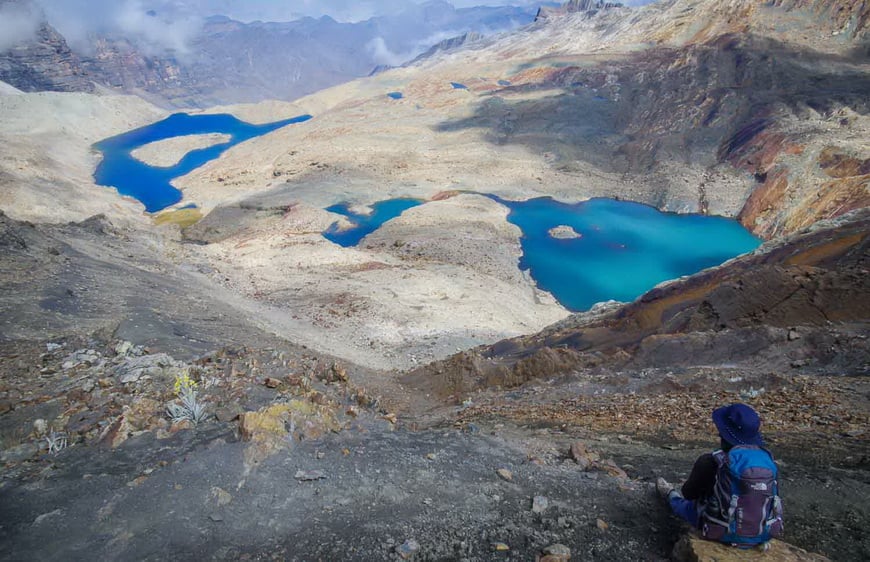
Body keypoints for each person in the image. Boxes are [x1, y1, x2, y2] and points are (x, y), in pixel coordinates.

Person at [656, 403, 784, 547]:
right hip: (762, 532)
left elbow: (689, 493)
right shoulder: (767, 461)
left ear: (724, 435)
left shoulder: (710, 461)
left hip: (718, 528)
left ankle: (668, 493)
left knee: (680, 503)